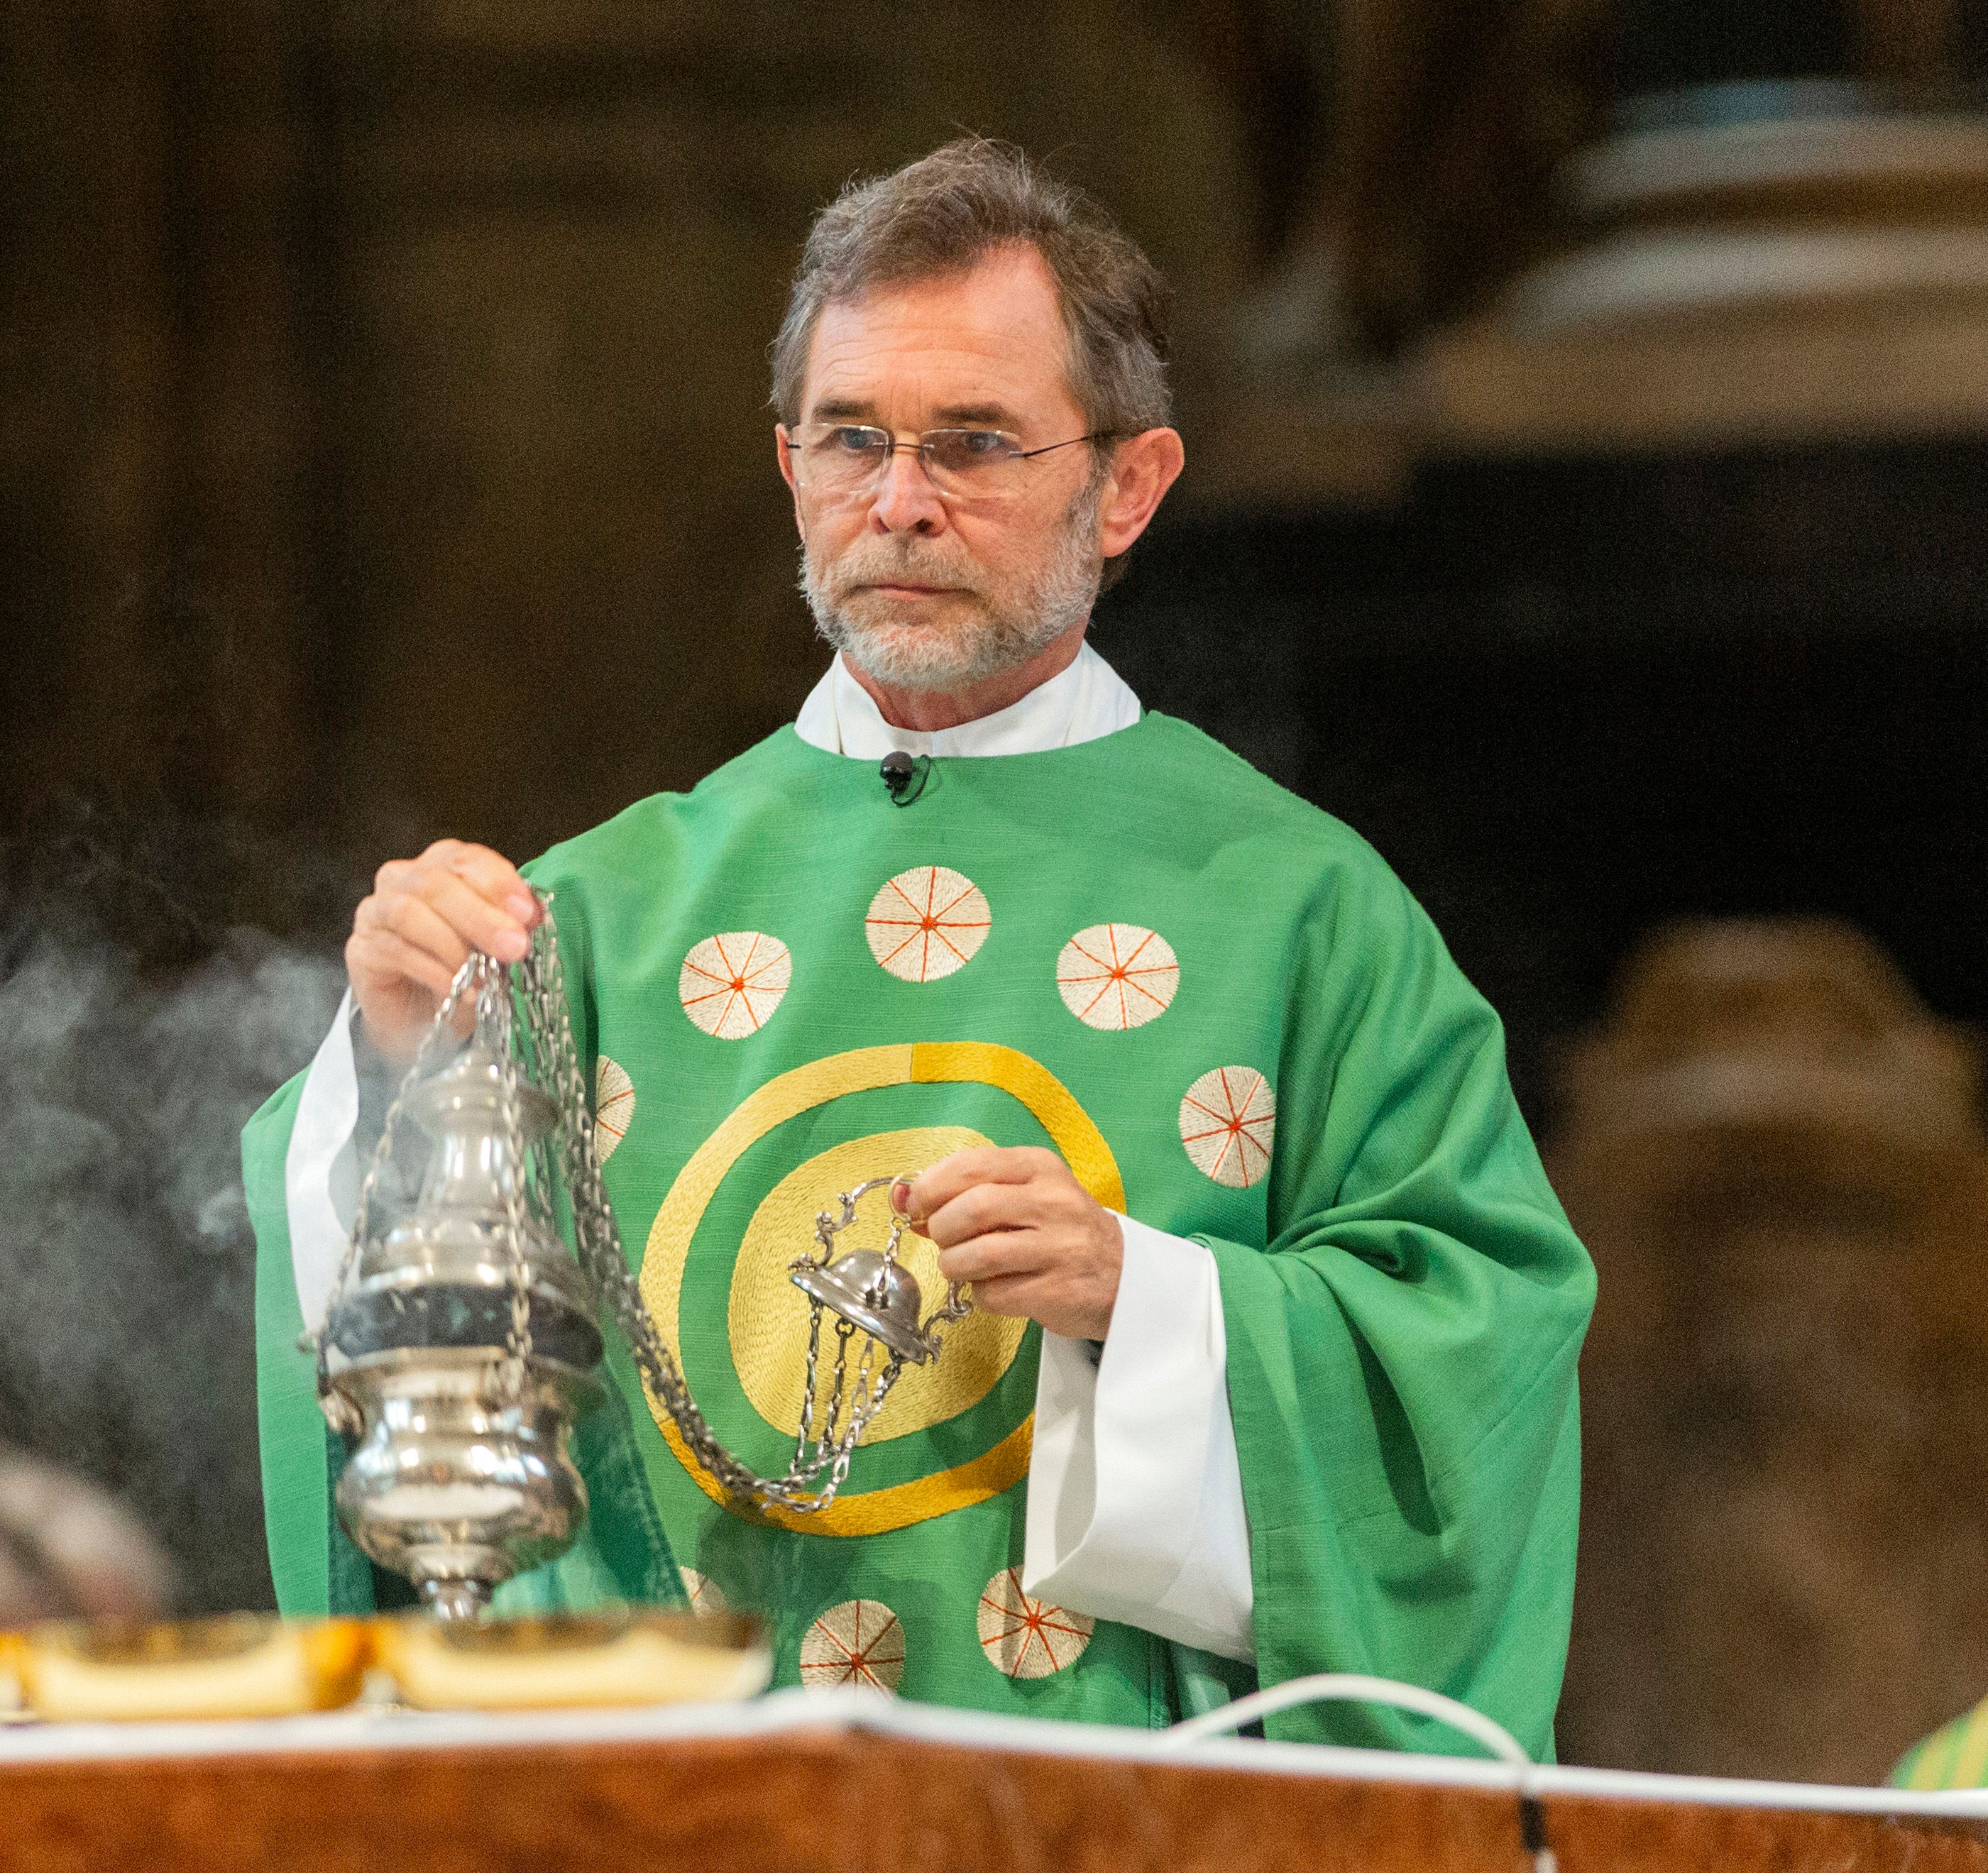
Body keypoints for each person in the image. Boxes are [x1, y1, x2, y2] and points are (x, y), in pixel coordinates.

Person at [241, 138, 1592, 1757]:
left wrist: (1147, 1300)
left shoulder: (1302, 912)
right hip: (683, 1823)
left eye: (972, 444)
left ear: (1130, 485)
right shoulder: (591, 914)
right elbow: (415, 1409)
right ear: (789, 465)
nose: (899, 503)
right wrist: (395, 1070)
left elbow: (1478, 1361)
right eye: (851, 440)